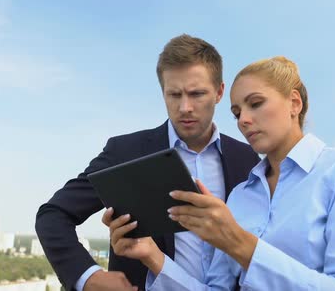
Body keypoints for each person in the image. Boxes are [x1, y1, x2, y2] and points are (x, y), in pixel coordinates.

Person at [106, 56, 335, 290]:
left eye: (255, 103)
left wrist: (239, 242)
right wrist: (152, 256)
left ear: (294, 103)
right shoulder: (241, 194)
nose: (243, 120)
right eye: (236, 112)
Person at [35, 34, 260, 291]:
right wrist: (89, 277)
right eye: (174, 94)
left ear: (219, 92)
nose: (185, 107)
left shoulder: (248, 158)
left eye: (197, 94)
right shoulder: (125, 151)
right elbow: (52, 215)